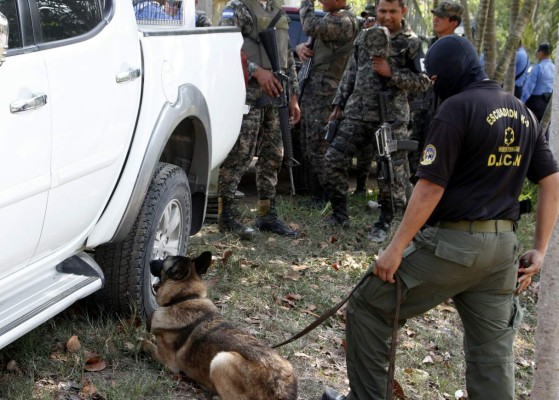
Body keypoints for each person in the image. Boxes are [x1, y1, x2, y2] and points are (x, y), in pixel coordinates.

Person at [322, 35, 559, 400]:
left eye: (434, 76)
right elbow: (552, 180)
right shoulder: (522, 111)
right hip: (502, 255)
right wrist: (540, 249)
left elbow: (430, 188)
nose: (433, 84)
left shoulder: (456, 109)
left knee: (368, 306)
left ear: (450, 71)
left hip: (453, 249)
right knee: (491, 354)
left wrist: (395, 247)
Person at [323, 0, 430, 236]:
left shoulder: (411, 43)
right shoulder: (365, 37)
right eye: (383, 11)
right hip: (356, 113)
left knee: (389, 172)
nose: (387, 16)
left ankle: (386, 221)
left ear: (403, 11)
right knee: (332, 159)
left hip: (389, 118)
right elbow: (351, 70)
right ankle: (339, 215)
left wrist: (391, 73)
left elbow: (423, 81)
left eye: (392, 11)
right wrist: (339, 103)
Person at [217, 0, 301, 239]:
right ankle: (226, 216)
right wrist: (256, 70)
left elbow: (288, 57)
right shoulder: (239, 7)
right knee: (240, 155)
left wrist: (293, 95)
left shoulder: (278, 11)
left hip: (277, 94)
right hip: (247, 94)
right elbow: (225, 47)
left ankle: (266, 214)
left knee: (274, 155)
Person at [295, 0, 358, 206]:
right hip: (315, 92)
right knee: (308, 145)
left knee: (319, 146)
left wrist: (306, 3)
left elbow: (309, 25)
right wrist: (300, 48)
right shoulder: (333, 18)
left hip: (325, 94)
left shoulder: (344, 21)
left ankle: (329, 196)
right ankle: (317, 194)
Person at [522, 43, 555, 122]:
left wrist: (521, 102)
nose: (537, 54)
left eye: (538, 52)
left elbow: (529, 88)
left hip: (535, 103)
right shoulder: (554, 67)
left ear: (541, 52)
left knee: (531, 126)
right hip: (548, 103)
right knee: (544, 127)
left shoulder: (538, 67)